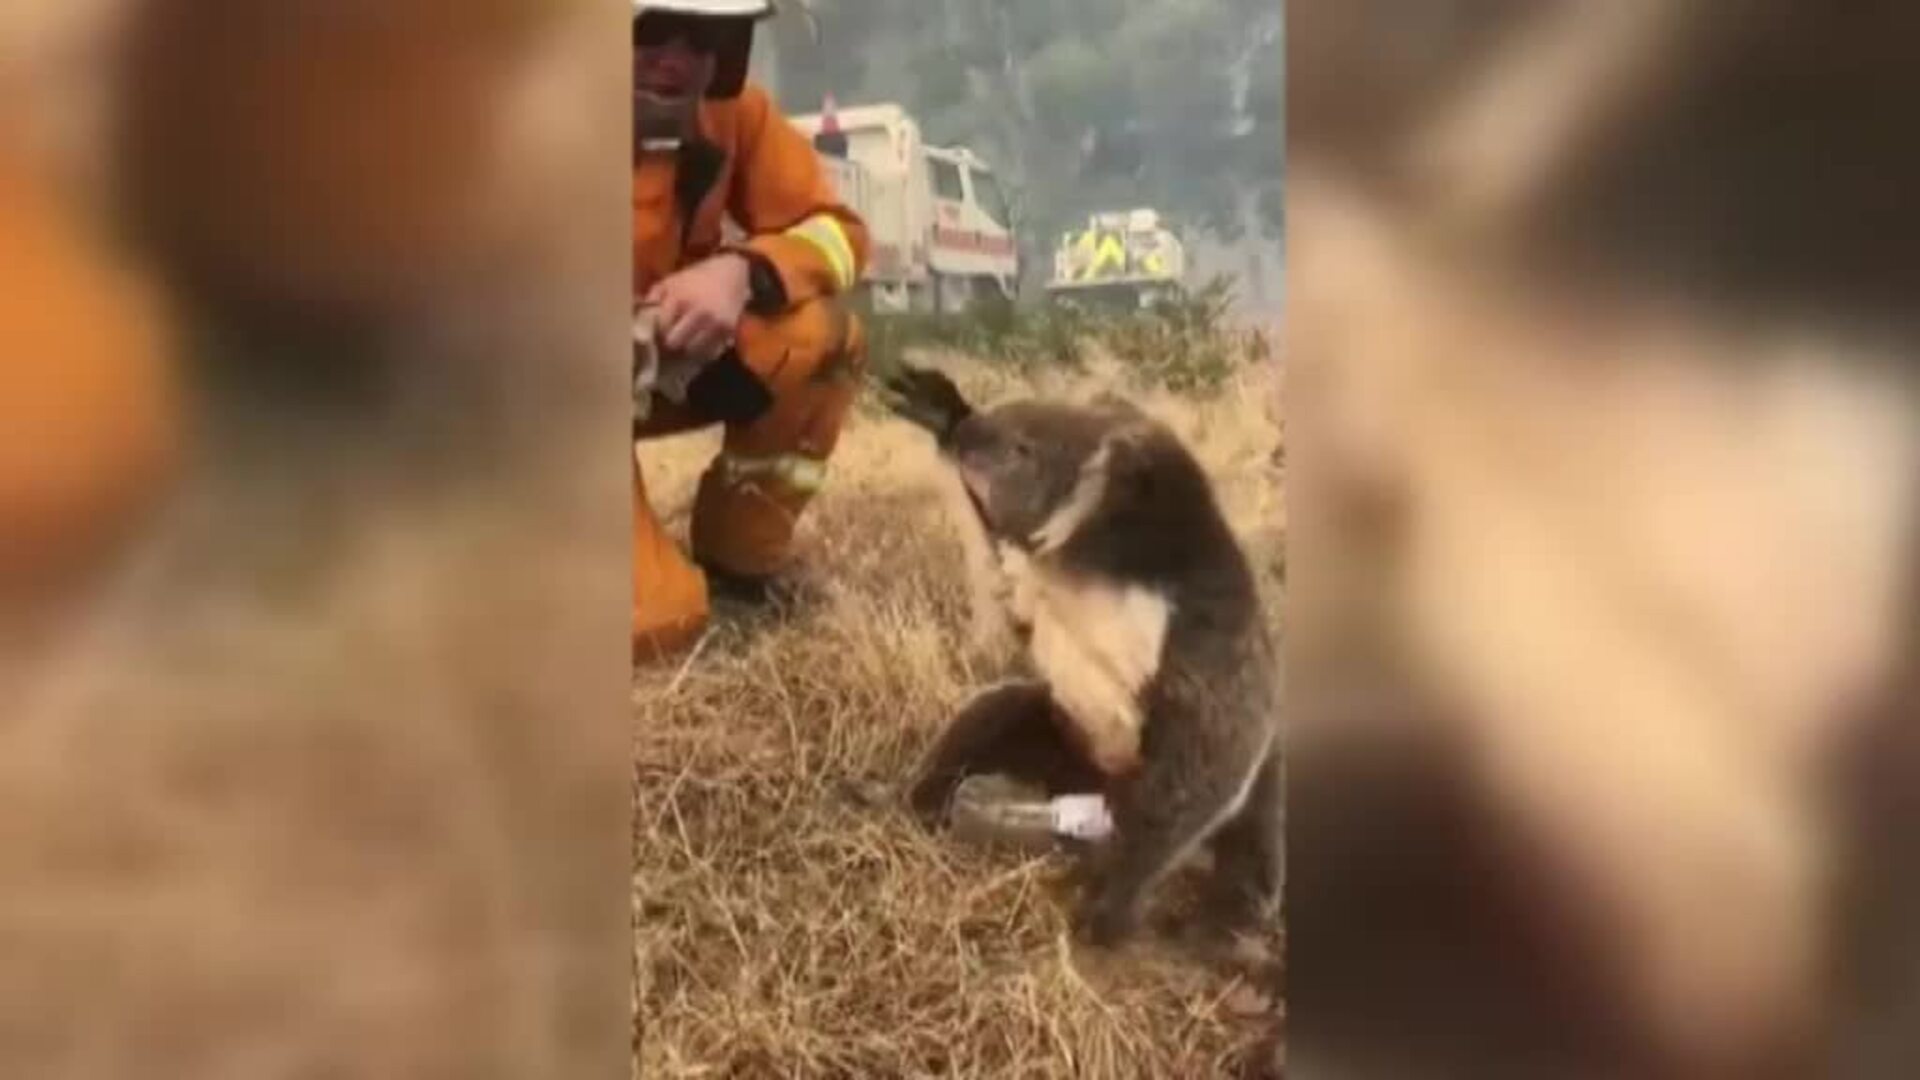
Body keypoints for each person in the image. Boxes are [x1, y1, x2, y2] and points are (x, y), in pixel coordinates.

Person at [631, 0, 870, 663]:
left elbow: (838, 232)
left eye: (705, 35)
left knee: (823, 339)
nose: (676, 58)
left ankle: (738, 573)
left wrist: (743, 271)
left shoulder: (737, 117)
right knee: (657, 623)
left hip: (651, 367)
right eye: (653, 30)